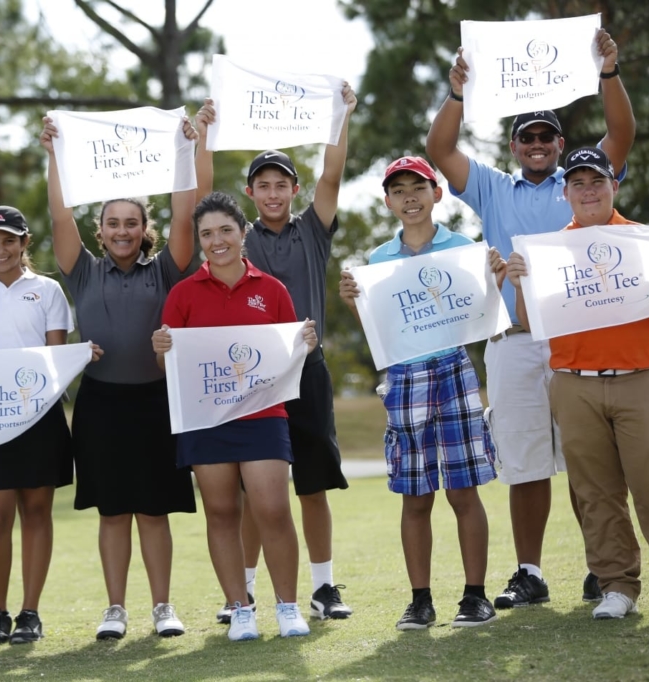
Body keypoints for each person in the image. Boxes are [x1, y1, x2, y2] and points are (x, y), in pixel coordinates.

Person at [425, 28, 635, 607]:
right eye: (527, 137)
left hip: (577, 338)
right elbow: (440, 148)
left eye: (546, 136)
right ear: (515, 147)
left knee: (589, 460)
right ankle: (530, 573)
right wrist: (458, 92)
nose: (537, 144)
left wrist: (609, 71)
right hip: (514, 340)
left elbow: (621, 134)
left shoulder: (582, 184)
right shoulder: (493, 188)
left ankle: (601, 567)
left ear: (560, 144)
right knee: (524, 461)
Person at [506, 146, 649, 620]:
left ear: (615, 186)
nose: (588, 191)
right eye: (578, 183)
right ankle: (617, 587)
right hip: (575, 384)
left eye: (597, 182)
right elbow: (530, 321)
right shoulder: (548, 251)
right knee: (596, 492)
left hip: (641, 380)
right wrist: (521, 284)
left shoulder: (642, 239)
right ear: (565, 193)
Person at [194, 82, 357, 623]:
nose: (272, 193)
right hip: (251, 379)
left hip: (306, 372)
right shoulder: (241, 239)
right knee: (251, 491)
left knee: (312, 484)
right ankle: (241, 593)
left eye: (280, 185)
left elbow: (332, 176)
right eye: (262, 185)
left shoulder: (313, 230)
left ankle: (324, 587)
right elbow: (202, 197)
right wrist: (205, 136)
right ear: (250, 192)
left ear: (293, 189)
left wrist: (341, 115)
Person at [40, 115, 198, 640]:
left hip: (156, 402)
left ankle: (162, 607)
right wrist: (54, 155)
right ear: (101, 230)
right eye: (113, 223)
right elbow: (59, 213)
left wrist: (184, 151)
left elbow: (185, 214)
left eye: (132, 222)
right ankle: (115, 609)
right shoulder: (82, 269)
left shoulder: (167, 269)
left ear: (144, 228)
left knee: (153, 511)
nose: (123, 231)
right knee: (112, 513)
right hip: (101, 405)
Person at [339, 158, 502, 629]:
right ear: (388, 201)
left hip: (453, 370)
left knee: (463, 490)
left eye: (418, 187)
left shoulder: (464, 249)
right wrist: (354, 303)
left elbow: (484, 317)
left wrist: (495, 281)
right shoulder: (378, 261)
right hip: (405, 378)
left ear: (436, 193)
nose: (409, 197)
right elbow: (381, 335)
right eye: (399, 190)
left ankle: (475, 597)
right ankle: (420, 601)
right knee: (415, 496)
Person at [152, 191, 318, 641]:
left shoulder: (272, 290)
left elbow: (290, 356)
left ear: (243, 233)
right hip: (206, 419)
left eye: (226, 230)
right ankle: (240, 609)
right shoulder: (183, 294)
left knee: (272, 509)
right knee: (222, 512)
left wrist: (305, 343)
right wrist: (162, 350)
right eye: (207, 234)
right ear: (199, 239)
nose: (217, 240)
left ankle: (288, 606)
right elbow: (170, 367)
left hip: (263, 414)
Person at [0, 206, 102, 645]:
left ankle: (30, 613)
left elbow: (54, 359)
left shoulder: (48, 291)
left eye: (9, 240)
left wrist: (79, 355)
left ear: (25, 242)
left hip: (39, 417)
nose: (1, 249)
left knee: (36, 513)